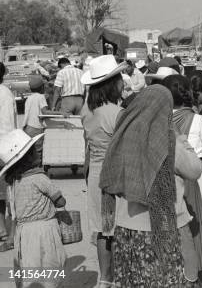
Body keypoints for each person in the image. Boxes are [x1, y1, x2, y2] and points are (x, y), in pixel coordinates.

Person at [99, 85, 202, 287]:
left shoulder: (123, 137)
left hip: (127, 231)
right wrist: (181, 138)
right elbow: (194, 170)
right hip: (165, 229)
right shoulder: (169, 141)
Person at [162, 74, 202, 285]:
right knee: (198, 234)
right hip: (196, 179)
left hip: (167, 179)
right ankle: (197, 278)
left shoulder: (159, 120)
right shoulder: (198, 120)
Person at [80, 55, 127, 288]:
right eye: (119, 79)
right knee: (118, 226)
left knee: (102, 229)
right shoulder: (116, 113)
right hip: (115, 174)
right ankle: (120, 275)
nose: (123, 83)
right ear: (112, 83)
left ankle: (104, 278)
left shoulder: (87, 111)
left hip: (96, 173)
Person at [1, 129, 66, 288]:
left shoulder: (14, 183)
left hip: (23, 234)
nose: (38, 152)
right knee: (50, 267)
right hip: (44, 231)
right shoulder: (40, 178)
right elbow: (60, 202)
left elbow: (15, 214)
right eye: (34, 151)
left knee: (29, 270)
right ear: (29, 157)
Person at [21, 75, 68, 167]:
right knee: (38, 151)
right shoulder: (41, 97)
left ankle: (29, 168)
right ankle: (37, 170)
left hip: (27, 128)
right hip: (36, 128)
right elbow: (44, 112)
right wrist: (60, 113)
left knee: (30, 151)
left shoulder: (29, 98)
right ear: (42, 87)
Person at [0, 62, 17, 252]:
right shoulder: (5, 93)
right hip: (5, 146)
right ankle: (4, 232)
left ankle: (10, 236)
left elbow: (6, 127)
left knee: (10, 195)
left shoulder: (4, 94)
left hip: (3, 148)